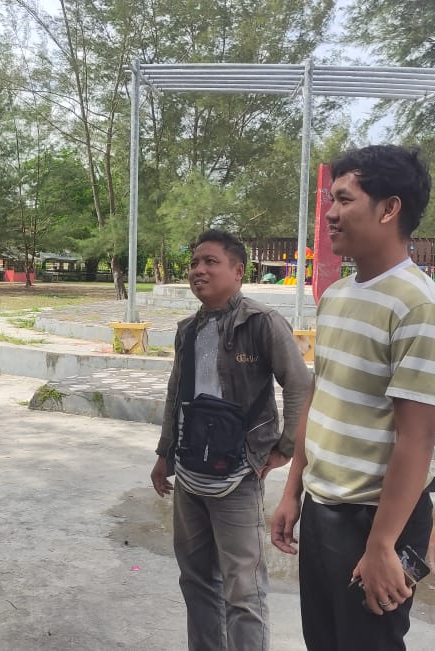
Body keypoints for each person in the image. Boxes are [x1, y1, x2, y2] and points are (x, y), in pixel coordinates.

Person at [270, 145, 435, 650]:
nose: (330, 213)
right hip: (323, 508)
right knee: (324, 642)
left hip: (377, 519)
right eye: (331, 199)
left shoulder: (419, 306)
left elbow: (416, 440)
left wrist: (382, 546)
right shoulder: (336, 298)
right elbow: (318, 398)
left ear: (389, 208)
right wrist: (293, 491)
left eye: (344, 199)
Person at [150, 229, 312, 651]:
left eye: (211, 262)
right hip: (189, 473)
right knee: (197, 578)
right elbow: (175, 392)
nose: (198, 270)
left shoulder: (261, 323)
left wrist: (285, 447)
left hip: (238, 475)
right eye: (194, 263)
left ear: (238, 271)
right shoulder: (188, 329)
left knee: (243, 587)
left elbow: (299, 384)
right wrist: (164, 453)